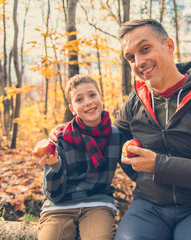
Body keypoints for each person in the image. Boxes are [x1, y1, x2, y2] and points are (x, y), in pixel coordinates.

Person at [50, 19, 191, 240]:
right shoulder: (135, 102)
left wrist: (158, 165)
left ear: (169, 46)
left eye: (145, 49)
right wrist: (70, 129)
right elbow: (110, 135)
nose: (139, 62)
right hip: (148, 206)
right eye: (130, 57)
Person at [35, 74, 135, 240]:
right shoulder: (61, 139)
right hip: (60, 207)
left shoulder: (115, 135)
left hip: (97, 204)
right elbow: (52, 194)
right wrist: (54, 165)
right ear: (72, 109)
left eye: (92, 95)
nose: (88, 102)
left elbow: (134, 169)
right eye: (79, 99)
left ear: (101, 98)